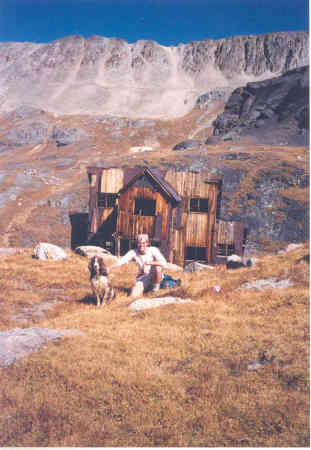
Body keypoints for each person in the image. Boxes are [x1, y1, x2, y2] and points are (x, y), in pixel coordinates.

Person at [107, 234, 167, 298]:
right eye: (139, 243)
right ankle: (145, 289)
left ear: (147, 243)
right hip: (143, 277)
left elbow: (164, 263)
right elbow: (121, 261)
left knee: (157, 267)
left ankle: (155, 290)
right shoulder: (133, 252)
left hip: (154, 275)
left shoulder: (153, 250)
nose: (141, 245)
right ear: (137, 244)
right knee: (133, 295)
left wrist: (149, 263)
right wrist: (109, 267)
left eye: (144, 243)